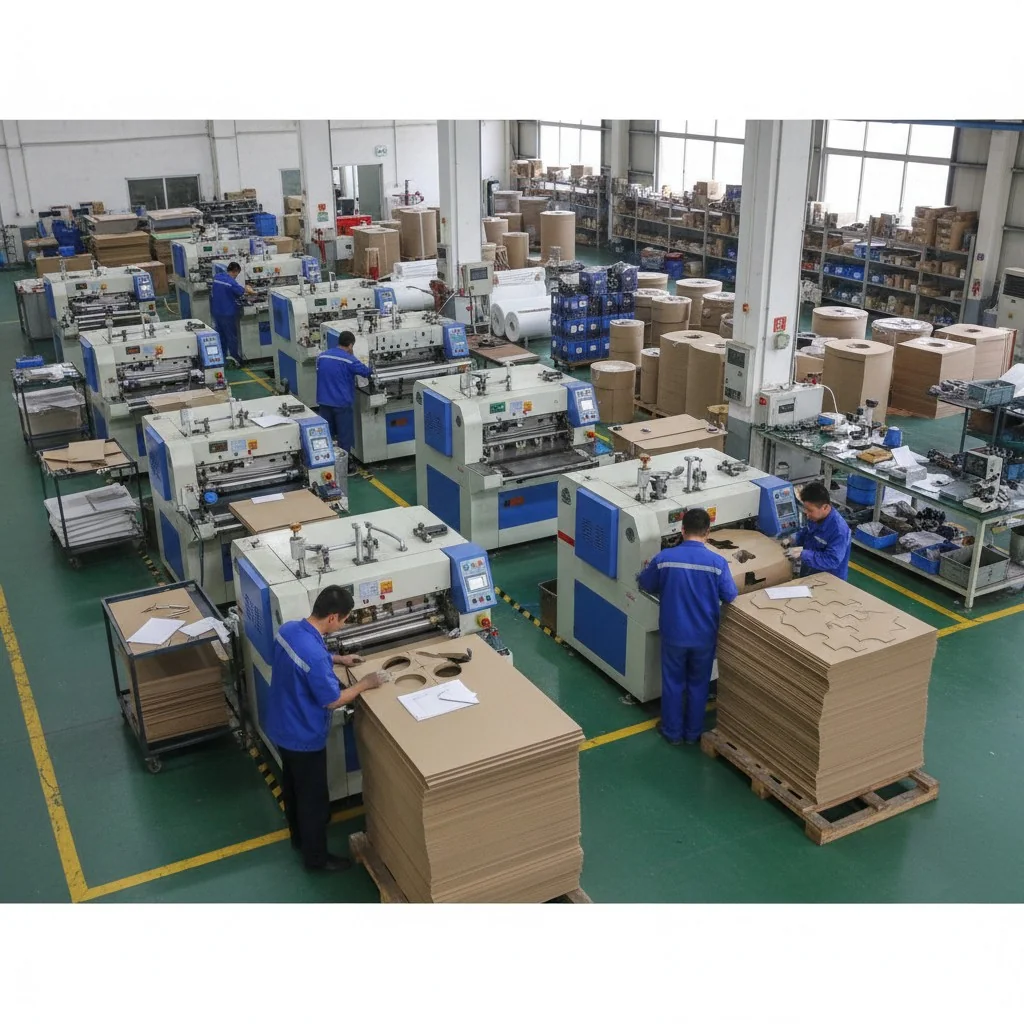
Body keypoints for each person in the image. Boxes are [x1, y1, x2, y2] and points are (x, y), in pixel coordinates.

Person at [263, 585, 388, 871]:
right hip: (303, 737)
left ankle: (299, 839)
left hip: (281, 723)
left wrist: (339, 659)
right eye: (344, 619)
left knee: (292, 787)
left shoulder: (290, 630)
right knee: (314, 800)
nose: (343, 624)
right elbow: (333, 701)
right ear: (332, 618)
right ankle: (316, 859)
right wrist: (366, 683)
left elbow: (311, 655)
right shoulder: (315, 656)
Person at [637, 507, 738, 746]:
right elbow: (731, 595)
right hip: (704, 636)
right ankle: (693, 734)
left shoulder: (664, 559)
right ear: (708, 532)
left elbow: (645, 583)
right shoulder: (717, 563)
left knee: (672, 683)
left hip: (674, 634)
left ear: (682, 531)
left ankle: (672, 733)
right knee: (698, 684)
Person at [316, 328, 371, 474]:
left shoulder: (322, 356)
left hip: (324, 402)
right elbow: (366, 372)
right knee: (344, 437)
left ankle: (325, 463)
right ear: (351, 345)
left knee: (326, 435)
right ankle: (344, 467)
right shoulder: (349, 359)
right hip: (341, 404)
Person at [782, 480, 852, 581]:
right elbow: (808, 531)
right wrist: (793, 538)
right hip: (809, 572)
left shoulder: (839, 531)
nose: (807, 514)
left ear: (825, 507)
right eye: (805, 509)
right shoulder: (815, 517)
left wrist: (803, 554)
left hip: (829, 580)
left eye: (810, 510)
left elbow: (832, 560)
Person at [209, 261, 254, 363]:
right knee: (231, 336)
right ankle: (235, 358)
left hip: (216, 312)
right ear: (235, 272)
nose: (236, 277)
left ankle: (222, 357)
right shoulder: (231, 282)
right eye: (237, 274)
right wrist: (250, 290)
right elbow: (241, 292)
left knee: (221, 335)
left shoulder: (217, 277)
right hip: (227, 313)